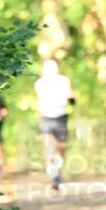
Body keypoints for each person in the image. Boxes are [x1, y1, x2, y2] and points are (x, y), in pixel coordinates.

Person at [34, 59, 74, 190]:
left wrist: (71, 98)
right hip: (46, 118)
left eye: (54, 66)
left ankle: (56, 169)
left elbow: (69, 96)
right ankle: (55, 177)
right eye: (49, 67)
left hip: (61, 117)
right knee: (50, 145)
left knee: (61, 148)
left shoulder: (64, 80)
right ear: (44, 69)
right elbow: (41, 101)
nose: (52, 69)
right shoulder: (40, 83)